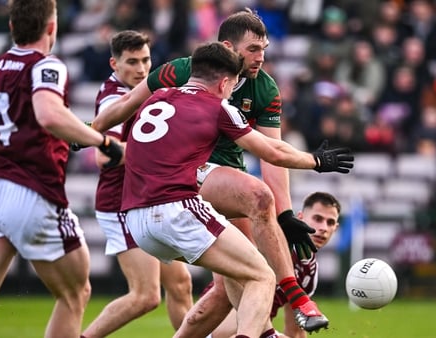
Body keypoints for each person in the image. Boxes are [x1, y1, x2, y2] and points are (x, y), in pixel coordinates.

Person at [91, 8, 335, 334]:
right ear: (226, 63)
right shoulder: (213, 100)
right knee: (260, 265)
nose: (261, 56)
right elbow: (272, 151)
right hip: (182, 193)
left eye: (264, 48)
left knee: (221, 288)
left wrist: (88, 134)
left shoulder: (166, 93)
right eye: (253, 49)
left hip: (138, 213)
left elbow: (123, 110)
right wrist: (316, 161)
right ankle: (289, 303)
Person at [0, 1, 123, 338]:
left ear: (11, 28)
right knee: (76, 293)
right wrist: (101, 142)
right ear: (51, 28)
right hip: (34, 191)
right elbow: (48, 113)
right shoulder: (46, 65)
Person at [81, 30, 193, 338]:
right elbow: (105, 158)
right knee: (146, 296)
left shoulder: (141, 89)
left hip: (145, 201)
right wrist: (159, 148)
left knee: (181, 285)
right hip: (120, 204)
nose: (141, 69)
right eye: (132, 62)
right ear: (114, 64)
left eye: (145, 60)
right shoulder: (114, 99)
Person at [211, 191, 342, 338]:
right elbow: (226, 329)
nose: (323, 228)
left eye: (330, 222)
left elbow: (295, 331)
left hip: (257, 331)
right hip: (224, 329)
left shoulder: (310, 272)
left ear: (335, 228)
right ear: (300, 218)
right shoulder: (270, 243)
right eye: (318, 219)